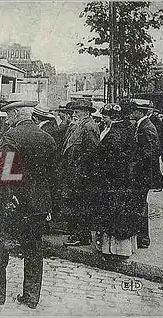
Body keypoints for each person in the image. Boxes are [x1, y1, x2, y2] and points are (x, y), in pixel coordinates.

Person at [0, 100, 56, 309]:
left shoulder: (10, 137)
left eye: (9, 114)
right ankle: (31, 297)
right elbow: (55, 174)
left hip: (13, 203)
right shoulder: (47, 138)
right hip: (38, 204)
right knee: (34, 249)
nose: (7, 119)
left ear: (17, 113)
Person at [91, 102, 138, 259]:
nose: (103, 119)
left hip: (112, 181)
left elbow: (109, 160)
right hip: (123, 181)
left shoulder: (114, 134)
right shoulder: (125, 130)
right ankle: (119, 249)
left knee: (113, 214)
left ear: (111, 118)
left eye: (105, 117)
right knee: (120, 215)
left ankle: (113, 250)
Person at [61, 100, 100, 246]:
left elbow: (92, 151)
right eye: (74, 111)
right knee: (76, 204)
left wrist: (79, 165)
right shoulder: (79, 126)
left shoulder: (89, 127)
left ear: (87, 112)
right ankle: (78, 234)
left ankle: (82, 236)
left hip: (82, 174)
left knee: (81, 205)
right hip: (75, 172)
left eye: (78, 111)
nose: (74, 114)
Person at [129, 100, 163, 248]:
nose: (131, 113)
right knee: (139, 204)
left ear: (140, 112)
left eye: (134, 110)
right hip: (142, 174)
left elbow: (151, 152)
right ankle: (141, 237)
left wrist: (134, 163)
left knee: (140, 205)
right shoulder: (142, 125)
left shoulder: (147, 127)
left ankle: (143, 238)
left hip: (143, 174)